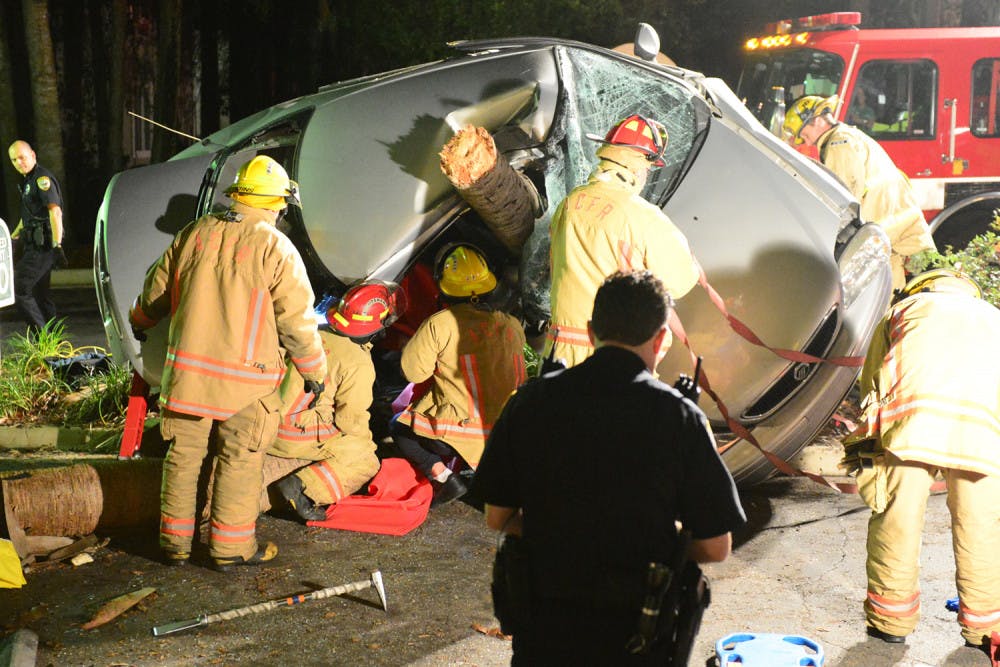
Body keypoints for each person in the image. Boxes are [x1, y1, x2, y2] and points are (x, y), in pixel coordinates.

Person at [475, 270, 746, 664]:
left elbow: (497, 517)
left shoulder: (530, 403)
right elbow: (716, 546)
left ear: (590, 332)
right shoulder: (680, 418)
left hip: (545, 638)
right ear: (660, 339)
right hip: (637, 638)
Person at [129, 155, 326, 571]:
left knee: (182, 459)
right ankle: (230, 549)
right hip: (247, 386)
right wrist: (314, 372)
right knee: (240, 461)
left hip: (188, 379)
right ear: (276, 204)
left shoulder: (194, 233)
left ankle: (175, 546)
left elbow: (154, 295)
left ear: (238, 196)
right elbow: (297, 322)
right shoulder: (277, 248)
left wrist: (139, 321)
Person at [842, 269, 1000, 652]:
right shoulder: (994, 318)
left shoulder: (902, 311)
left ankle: (890, 623)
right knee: (981, 528)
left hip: (910, 427)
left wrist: (863, 451)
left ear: (920, 287)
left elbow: (873, 386)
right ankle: (985, 632)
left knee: (897, 519)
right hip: (981, 433)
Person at [546, 114, 700, 368]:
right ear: (638, 165)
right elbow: (681, 281)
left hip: (557, 354)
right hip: (611, 360)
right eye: (648, 169)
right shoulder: (643, 217)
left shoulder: (569, 204)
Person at [392, 243, 527, 507]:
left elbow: (413, 372)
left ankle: (444, 477)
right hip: (507, 432)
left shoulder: (440, 323)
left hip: (458, 432)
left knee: (398, 426)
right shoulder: (510, 324)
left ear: (443, 286)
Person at [273, 281, 405, 522]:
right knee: (365, 460)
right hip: (293, 435)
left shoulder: (314, 333)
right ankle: (303, 488)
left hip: (269, 421)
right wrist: (365, 444)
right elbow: (349, 420)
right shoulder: (357, 362)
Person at [784, 95, 936, 289]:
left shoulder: (839, 144)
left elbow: (844, 198)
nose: (807, 143)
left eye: (805, 135)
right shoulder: (849, 135)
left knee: (888, 291)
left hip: (887, 232)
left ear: (819, 121)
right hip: (903, 231)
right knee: (907, 289)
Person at [7, 140, 65, 333]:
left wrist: (57, 245)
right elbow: (28, 217)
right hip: (34, 244)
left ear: (33, 155)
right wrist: (12, 237)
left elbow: (55, 212)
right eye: (14, 160)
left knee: (20, 288)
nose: (18, 163)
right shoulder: (28, 181)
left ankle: (43, 337)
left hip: (44, 246)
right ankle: (54, 342)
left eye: (22, 157)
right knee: (41, 294)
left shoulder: (42, 179)